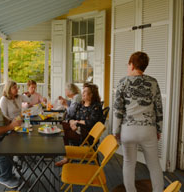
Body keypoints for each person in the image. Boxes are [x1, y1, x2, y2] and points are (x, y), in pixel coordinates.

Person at [113, 51, 164, 192]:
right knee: (154, 165)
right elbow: (158, 108)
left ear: (132, 64)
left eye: (128, 64)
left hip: (128, 130)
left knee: (129, 163)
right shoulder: (153, 82)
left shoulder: (122, 82)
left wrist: (115, 131)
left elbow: (118, 110)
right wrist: (158, 129)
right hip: (148, 130)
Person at [55, 83, 102, 167]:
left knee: (61, 133)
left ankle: (67, 157)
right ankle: (66, 155)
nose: (82, 93)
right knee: (60, 127)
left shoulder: (96, 107)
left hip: (87, 134)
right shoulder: (81, 104)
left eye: (85, 92)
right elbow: (70, 116)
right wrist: (72, 122)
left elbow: (90, 122)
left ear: (91, 94)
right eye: (82, 91)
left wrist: (76, 122)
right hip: (77, 129)